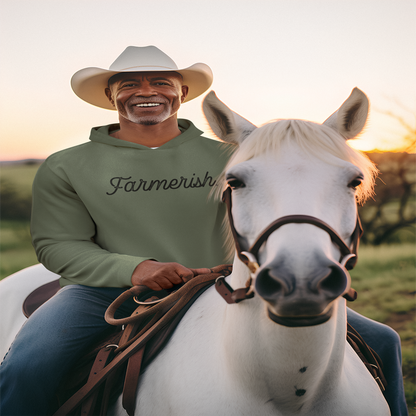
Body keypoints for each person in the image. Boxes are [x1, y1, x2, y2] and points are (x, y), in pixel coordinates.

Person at [0, 46, 408, 416]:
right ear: (111, 96)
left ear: (182, 94)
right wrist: (136, 268)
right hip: (104, 291)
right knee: (28, 365)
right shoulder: (66, 165)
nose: (147, 91)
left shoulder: (235, 155)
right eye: (129, 84)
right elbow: (57, 245)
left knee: (384, 341)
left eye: (162, 82)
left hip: (226, 283)